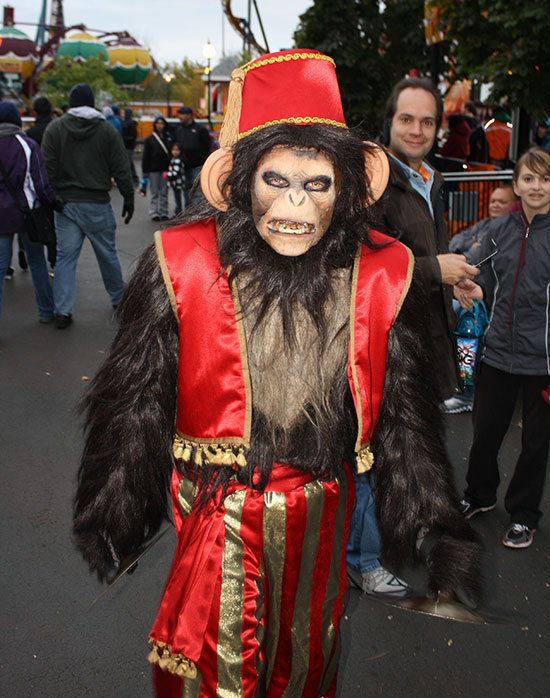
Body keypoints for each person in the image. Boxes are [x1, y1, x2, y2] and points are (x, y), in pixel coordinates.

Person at [73, 50, 481, 697]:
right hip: (216, 507)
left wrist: (434, 519)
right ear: (242, 182)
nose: (295, 204)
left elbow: (405, 409)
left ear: (343, 189)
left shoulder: (376, 271)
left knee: (306, 655)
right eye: (277, 180)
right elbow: (135, 397)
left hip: (322, 506)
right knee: (215, 669)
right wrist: (112, 503)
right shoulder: (182, 263)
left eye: (316, 183)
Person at [458, 147, 550, 549]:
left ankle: (524, 516)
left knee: (535, 443)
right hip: (497, 352)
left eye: (545, 179)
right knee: (485, 431)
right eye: (528, 178)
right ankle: (479, 495)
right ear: (516, 185)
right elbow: (479, 271)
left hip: (542, 360)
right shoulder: (500, 229)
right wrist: (470, 285)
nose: (536, 186)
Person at [378, 76, 480, 402]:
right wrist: (438, 270)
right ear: (389, 122)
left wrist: (455, 280)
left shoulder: (431, 178)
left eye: (427, 122)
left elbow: (431, 250)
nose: (416, 131)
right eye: (406, 119)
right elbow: (364, 272)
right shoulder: (372, 182)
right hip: (391, 354)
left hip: (432, 344)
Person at [41, 83, 134, 329]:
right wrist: (128, 197)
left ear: (71, 103)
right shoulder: (106, 130)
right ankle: (118, 300)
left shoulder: (56, 129)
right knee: (107, 254)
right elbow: (120, 166)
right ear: (92, 102)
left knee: (65, 258)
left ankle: (62, 309)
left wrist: (52, 198)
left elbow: (47, 168)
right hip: (97, 203)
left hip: (67, 204)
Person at [0, 101, 59, 322]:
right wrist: (51, 201)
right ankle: (46, 311)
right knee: (37, 261)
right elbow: (40, 182)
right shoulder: (27, 145)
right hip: (27, 211)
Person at [449, 184, 517, 264]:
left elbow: (480, 254)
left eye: (502, 202)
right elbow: (454, 242)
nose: (495, 205)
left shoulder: (513, 228)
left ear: (514, 204)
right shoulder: (484, 224)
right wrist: (470, 244)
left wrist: (455, 263)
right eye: (492, 201)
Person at [174, 106, 211, 206]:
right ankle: (188, 214)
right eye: (179, 114)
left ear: (189, 115)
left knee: (197, 192)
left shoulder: (200, 130)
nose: (180, 117)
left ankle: (196, 215)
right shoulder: (179, 130)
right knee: (186, 191)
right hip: (184, 166)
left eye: (182, 114)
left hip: (197, 166)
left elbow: (207, 147)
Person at [142, 116, 171, 221]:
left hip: (165, 169)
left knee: (164, 191)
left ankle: (164, 211)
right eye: (158, 123)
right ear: (155, 125)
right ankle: (154, 212)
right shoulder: (150, 139)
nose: (160, 125)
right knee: (154, 192)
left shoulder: (168, 138)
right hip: (153, 169)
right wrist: (145, 171)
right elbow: (146, 156)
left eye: (162, 123)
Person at [122, 107, 139, 187]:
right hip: (127, 145)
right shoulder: (125, 122)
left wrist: (124, 138)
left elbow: (133, 135)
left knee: (129, 162)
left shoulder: (130, 124)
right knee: (127, 162)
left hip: (128, 145)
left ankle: (134, 178)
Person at [166, 142, 185, 216]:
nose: (175, 152)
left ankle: (178, 212)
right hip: (175, 182)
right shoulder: (173, 159)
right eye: (173, 150)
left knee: (177, 198)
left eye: (177, 150)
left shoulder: (177, 160)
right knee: (177, 197)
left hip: (178, 182)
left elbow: (175, 172)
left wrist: (167, 175)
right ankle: (178, 211)